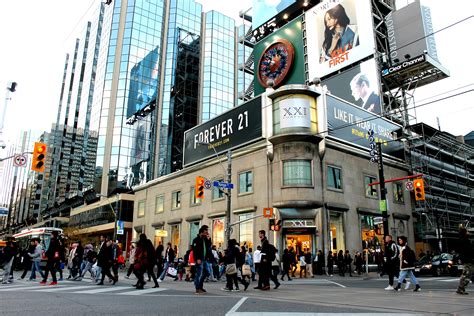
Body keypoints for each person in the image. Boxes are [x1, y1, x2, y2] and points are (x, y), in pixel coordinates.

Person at [192, 225, 211, 294]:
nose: (207, 233)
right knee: (199, 274)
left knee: (207, 272)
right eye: (206, 232)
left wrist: (209, 239)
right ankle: (198, 288)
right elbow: (194, 250)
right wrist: (197, 258)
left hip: (205, 259)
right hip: (199, 259)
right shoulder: (196, 240)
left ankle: (200, 285)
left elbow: (209, 247)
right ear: (201, 232)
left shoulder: (205, 239)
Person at [456, 227, 473, 295]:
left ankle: (461, 288)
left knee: (468, 274)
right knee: (467, 274)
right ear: (464, 232)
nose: (468, 232)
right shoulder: (464, 240)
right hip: (468, 259)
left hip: (468, 259)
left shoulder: (464, 239)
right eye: (467, 231)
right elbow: (468, 250)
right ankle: (460, 289)